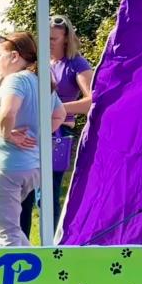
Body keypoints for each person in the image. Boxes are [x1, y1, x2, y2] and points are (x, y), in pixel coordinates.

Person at [0, 32, 65, 247]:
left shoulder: (16, 80)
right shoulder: (41, 81)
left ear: (14, 56)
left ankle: (30, 278)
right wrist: (38, 135)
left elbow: (8, 112)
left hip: (6, 167)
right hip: (28, 166)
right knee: (11, 228)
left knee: (5, 231)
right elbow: (59, 114)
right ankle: (34, 272)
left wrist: (8, 135)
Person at [20, 16, 95, 236]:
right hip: (32, 131)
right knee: (25, 192)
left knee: (49, 194)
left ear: (66, 39)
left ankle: (49, 245)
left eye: (53, 38)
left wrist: (57, 109)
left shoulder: (76, 64)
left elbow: (93, 101)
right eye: (44, 38)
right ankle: (20, 244)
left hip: (57, 135)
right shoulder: (36, 63)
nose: (48, 43)